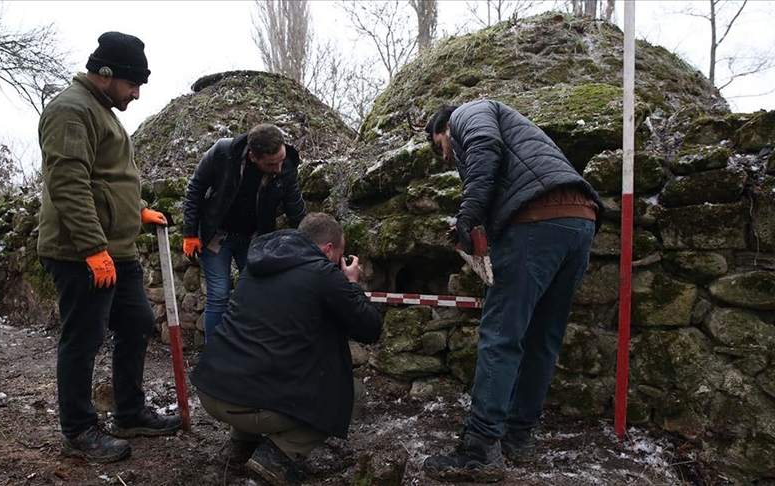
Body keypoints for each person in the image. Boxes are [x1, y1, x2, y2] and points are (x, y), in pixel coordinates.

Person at [422, 101, 604, 482]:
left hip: (537, 219)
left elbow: (485, 148)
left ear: (444, 128)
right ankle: (519, 435)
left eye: (440, 147)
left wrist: (467, 217)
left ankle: (480, 447)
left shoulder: (467, 113)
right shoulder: (515, 128)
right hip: (580, 221)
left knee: (502, 333)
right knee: (543, 336)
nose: (446, 157)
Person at [37, 32, 182, 464]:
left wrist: (138, 209)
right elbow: (69, 183)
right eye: (132, 84)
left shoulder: (100, 110)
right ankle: (79, 429)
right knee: (84, 339)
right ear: (105, 74)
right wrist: (92, 248)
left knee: (137, 321)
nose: (136, 94)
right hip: (79, 251)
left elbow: (108, 177)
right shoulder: (71, 110)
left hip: (116, 249)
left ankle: (129, 412)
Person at [190, 212, 382, 485]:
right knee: (353, 394)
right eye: (340, 254)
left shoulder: (258, 263)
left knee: (256, 354)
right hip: (253, 407)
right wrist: (351, 284)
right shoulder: (324, 274)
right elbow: (370, 328)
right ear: (329, 249)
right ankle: (278, 455)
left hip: (210, 389)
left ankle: (241, 444)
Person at [181, 124, 306, 343]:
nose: (279, 168)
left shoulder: (286, 167)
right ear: (252, 157)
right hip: (217, 235)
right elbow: (196, 189)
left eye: (281, 159)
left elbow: (296, 210)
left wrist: (311, 247)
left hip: (253, 239)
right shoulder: (223, 152)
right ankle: (214, 355)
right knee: (219, 296)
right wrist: (190, 233)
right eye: (271, 164)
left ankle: (249, 352)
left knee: (259, 295)